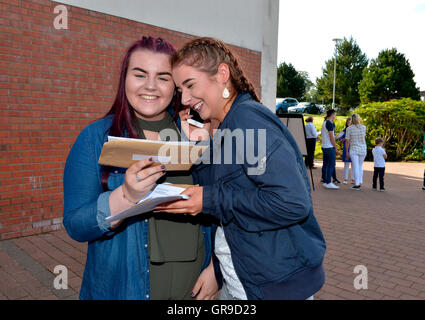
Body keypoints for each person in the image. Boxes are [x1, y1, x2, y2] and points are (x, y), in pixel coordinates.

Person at [155, 37, 326, 300]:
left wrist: (209, 198)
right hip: (242, 279)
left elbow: (291, 202)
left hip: (271, 287)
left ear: (222, 74)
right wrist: (199, 151)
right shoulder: (227, 125)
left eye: (190, 85)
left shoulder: (246, 119)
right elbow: (224, 188)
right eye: (180, 91)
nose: (185, 99)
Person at [63, 36, 217, 300]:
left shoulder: (196, 135)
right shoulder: (94, 138)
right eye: (140, 74)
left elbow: (224, 209)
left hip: (195, 292)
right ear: (125, 79)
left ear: (176, 86)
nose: (150, 86)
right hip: (123, 290)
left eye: (163, 77)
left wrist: (217, 270)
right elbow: (76, 225)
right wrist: (126, 198)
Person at [345, 113, 367, 191]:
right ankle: (360, 181)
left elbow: (347, 141)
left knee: (355, 166)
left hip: (354, 149)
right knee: (360, 166)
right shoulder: (364, 127)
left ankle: (357, 184)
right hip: (363, 149)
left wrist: (347, 151)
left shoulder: (349, 129)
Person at [321, 109, 340, 189]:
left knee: (326, 164)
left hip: (325, 146)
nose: (335, 116)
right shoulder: (329, 123)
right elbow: (331, 137)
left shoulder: (325, 122)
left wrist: (336, 136)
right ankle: (328, 182)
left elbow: (330, 136)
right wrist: (336, 148)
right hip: (329, 147)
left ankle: (325, 181)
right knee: (331, 165)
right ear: (332, 114)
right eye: (334, 114)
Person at [338, 118, 354, 184]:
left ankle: (353, 179)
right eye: (347, 122)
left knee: (354, 164)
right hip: (346, 148)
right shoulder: (344, 131)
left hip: (353, 148)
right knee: (346, 164)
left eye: (349, 122)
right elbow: (340, 139)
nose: (348, 123)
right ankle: (345, 179)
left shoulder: (354, 130)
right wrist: (344, 139)